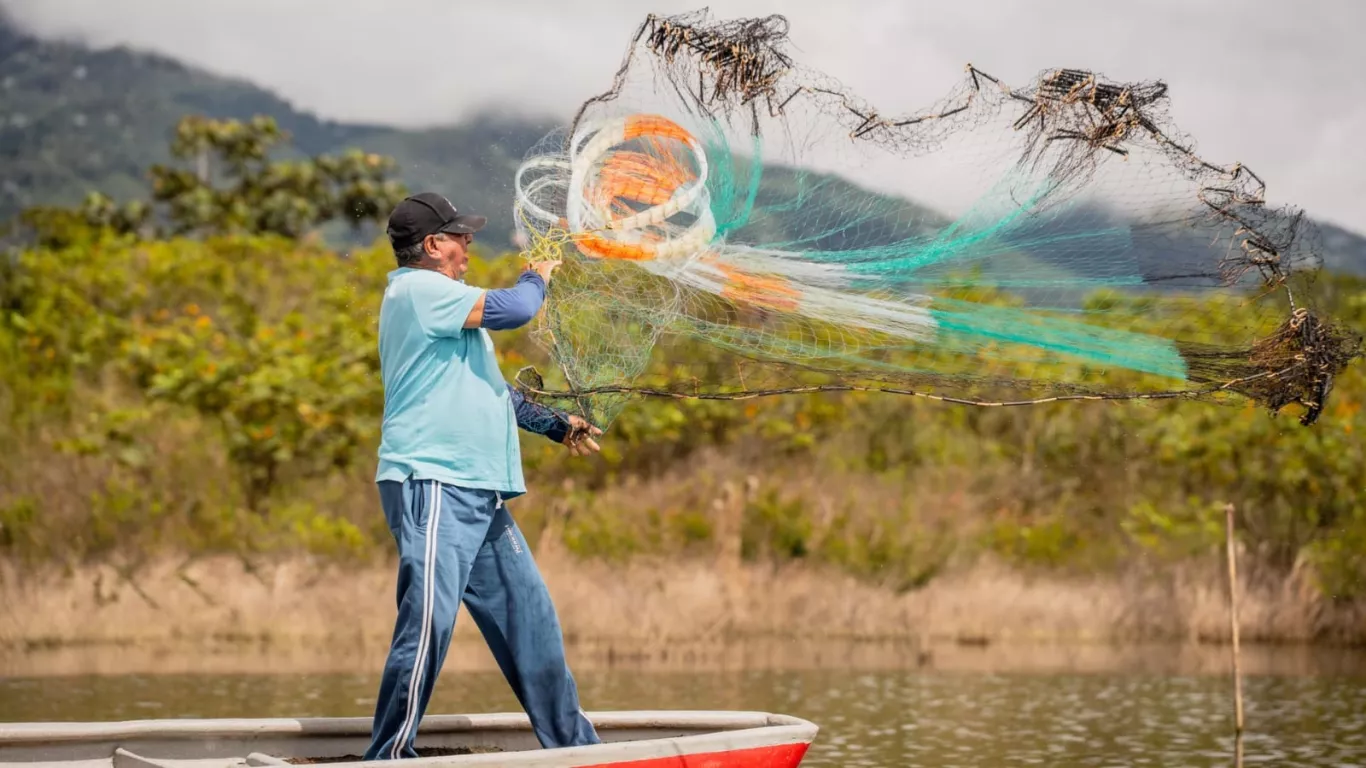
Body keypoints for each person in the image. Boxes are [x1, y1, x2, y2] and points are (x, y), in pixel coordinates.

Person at [363, 192, 603, 761]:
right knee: (428, 626)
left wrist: (554, 424)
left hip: (478, 493)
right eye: (459, 236)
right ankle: (389, 756)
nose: (468, 245)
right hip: (434, 481)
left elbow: (497, 396)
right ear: (432, 246)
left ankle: (576, 751)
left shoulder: (448, 307)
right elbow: (518, 308)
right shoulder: (419, 292)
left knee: (532, 623)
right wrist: (535, 275)